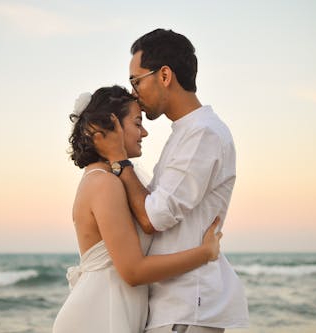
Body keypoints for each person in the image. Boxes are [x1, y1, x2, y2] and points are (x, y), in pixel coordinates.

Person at [93, 29, 249, 332]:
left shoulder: (203, 133)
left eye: (136, 81)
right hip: (175, 308)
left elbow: (153, 216)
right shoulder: (187, 132)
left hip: (187, 307)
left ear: (164, 75)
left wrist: (119, 160)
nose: (134, 92)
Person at [53, 85, 224, 333]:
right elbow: (133, 271)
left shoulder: (109, 178)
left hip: (113, 310)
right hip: (100, 316)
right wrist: (205, 253)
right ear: (112, 127)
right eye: (136, 122)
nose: (144, 132)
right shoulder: (104, 183)